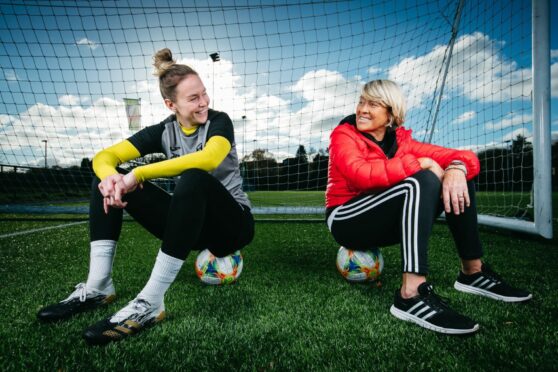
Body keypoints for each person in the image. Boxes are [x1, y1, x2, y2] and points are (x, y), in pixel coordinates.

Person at [37, 48, 255, 345]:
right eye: (193, 98)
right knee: (106, 178)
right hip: (192, 228)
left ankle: (151, 302)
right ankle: (99, 284)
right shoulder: (164, 131)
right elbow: (104, 156)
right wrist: (112, 178)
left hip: (233, 227)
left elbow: (207, 159)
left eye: (203, 94)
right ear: (171, 104)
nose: (204, 102)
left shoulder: (220, 121)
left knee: (192, 178)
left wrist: (138, 174)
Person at [326, 79, 531, 335]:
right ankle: (410, 294)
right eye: (361, 101)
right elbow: (361, 174)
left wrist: (456, 168)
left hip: (383, 217)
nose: (362, 109)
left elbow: (463, 156)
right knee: (420, 179)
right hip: (347, 218)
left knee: (458, 177)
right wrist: (419, 164)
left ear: (391, 114)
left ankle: (472, 273)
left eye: (374, 104)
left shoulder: (402, 142)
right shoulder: (344, 134)